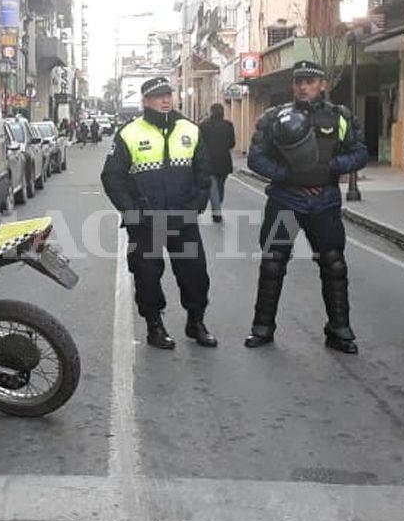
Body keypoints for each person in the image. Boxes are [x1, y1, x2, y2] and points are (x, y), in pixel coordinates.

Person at [244, 60, 368, 352]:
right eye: (299, 81)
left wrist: (331, 167)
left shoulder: (340, 117)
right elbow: (256, 158)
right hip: (286, 200)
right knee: (273, 262)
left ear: (322, 84)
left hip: (323, 200)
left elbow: (359, 152)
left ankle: (339, 329)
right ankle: (262, 327)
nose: (303, 86)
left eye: (310, 81)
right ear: (293, 86)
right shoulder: (275, 117)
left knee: (334, 263)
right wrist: (287, 175)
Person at [101, 76, 215, 350]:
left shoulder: (191, 130)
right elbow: (111, 178)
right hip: (146, 223)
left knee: (195, 274)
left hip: (183, 219)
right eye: (158, 96)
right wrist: (132, 213)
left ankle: (196, 322)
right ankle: (155, 326)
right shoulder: (129, 133)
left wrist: (195, 206)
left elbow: (204, 174)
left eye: (168, 95)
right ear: (146, 101)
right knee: (147, 277)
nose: (165, 100)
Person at [198, 103, 236, 223]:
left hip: (209, 162)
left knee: (213, 187)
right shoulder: (228, 125)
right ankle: (217, 208)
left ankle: (216, 211)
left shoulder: (204, 126)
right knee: (220, 186)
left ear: (211, 112)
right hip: (224, 161)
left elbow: (200, 144)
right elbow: (232, 143)